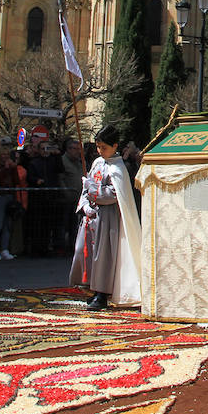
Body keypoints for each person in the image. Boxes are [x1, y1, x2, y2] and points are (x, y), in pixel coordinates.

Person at [70, 124, 142, 310]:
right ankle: (90, 287)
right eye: (98, 147)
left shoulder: (119, 168)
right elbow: (88, 187)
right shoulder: (97, 163)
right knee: (83, 250)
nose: (100, 151)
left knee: (103, 256)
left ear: (115, 146)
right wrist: (85, 205)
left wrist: (91, 189)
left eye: (104, 147)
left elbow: (113, 194)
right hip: (92, 216)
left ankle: (102, 293)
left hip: (109, 218)